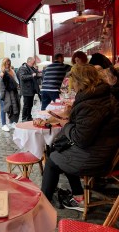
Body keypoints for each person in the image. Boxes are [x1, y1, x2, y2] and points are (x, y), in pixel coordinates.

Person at [40, 64, 119, 211]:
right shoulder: (101, 95)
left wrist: (66, 124)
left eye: (72, 82)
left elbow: (81, 138)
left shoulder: (91, 103)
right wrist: (73, 117)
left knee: (52, 161)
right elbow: (91, 126)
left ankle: (42, 205)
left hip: (96, 157)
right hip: (103, 150)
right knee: (60, 151)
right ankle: (78, 195)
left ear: (80, 81)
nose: (72, 86)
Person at [0, 58, 21, 131]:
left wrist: (17, 85)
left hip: (11, 93)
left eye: (9, 63)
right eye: (6, 63)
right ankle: (3, 124)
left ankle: (11, 123)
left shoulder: (12, 71)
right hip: (2, 93)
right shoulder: (0, 70)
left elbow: (16, 80)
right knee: (4, 108)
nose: (8, 65)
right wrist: (0, 75)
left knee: (11, 107)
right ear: (4, 63)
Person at [18, 57, 40, 121]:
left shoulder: (31, 68)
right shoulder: (23, 68)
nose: (33, 64)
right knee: (26, 105)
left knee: (30, 104)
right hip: (26, 90)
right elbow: (22, 77)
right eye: (33, 62)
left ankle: (29, 116)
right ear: (29, 61)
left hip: (31, 90)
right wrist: (31, 75)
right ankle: (24, 118)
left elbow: (36, 74)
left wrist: (37, 73)